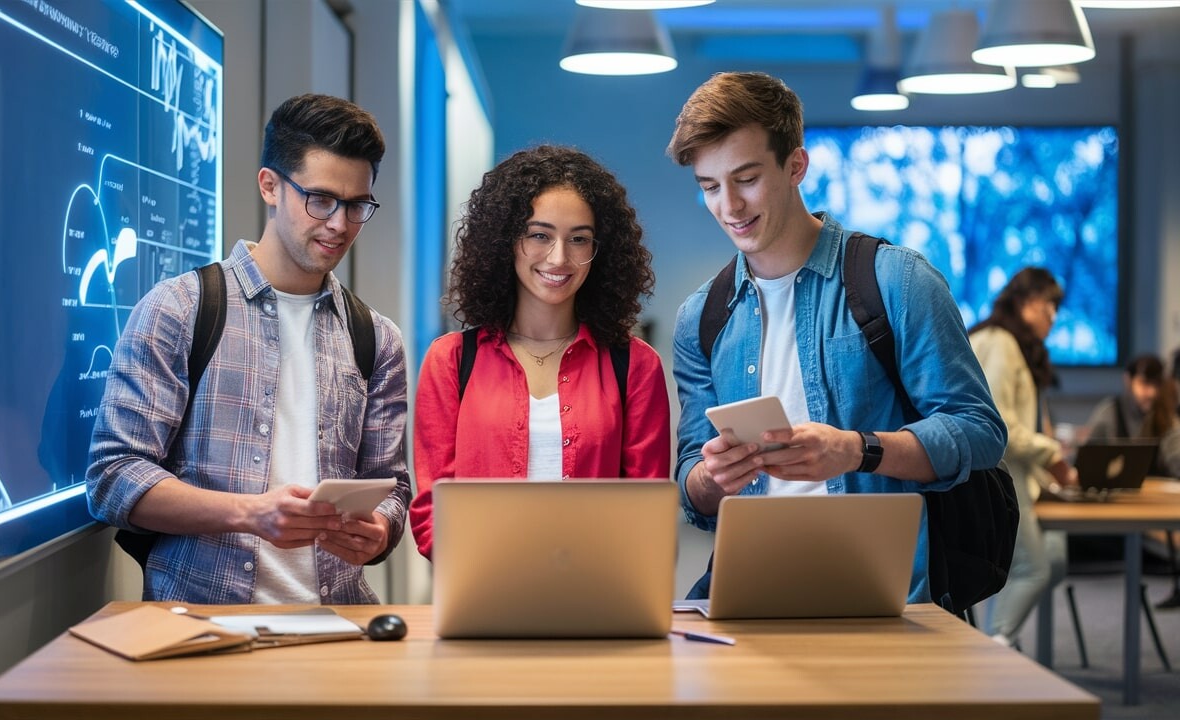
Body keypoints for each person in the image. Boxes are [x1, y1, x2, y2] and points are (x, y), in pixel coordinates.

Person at [665, 71, 1006, 603]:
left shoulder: (897, 280)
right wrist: (712, 476)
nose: (728, 206)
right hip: (752, 591)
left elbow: (980, 431)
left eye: (747, 178)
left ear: (796, 166)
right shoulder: (700, 318)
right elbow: (693, 490)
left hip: (883, 595)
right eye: (710, 187)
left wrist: (857, 450)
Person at [87, 95, 410, 604]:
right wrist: (250, 512)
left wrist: (379, 531)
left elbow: (391, 486)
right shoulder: (180, 309)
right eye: (321, 199)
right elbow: (113, 476)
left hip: (338, 628)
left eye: (356, 205)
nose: (340, 224)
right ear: (270, 186)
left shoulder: (377, 338)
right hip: (202, 629)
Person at [408, 145, 671, 559]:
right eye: (539, 235)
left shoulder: (636, 365)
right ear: (505, 240)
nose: (559, 257)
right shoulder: (452, 360)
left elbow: (648, 511)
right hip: (483, 596)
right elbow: (430, 513)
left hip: (599, 600)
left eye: (579, 239)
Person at [967, 267, 1076, 646]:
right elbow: (1001, 426)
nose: (1053, 315)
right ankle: (996, 648)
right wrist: (1052, 455)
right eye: (1049, 305)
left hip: (1013, 478)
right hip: (1004, 478)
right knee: (1034, 569)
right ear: (1027, 302)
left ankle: (998, 639)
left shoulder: (996, 339)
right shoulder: (1000, 343)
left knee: (1056, 556)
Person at [1084, 353, 1180, 478]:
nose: (1151, 392)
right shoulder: (1109, 412)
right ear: (1128, 380)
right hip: (1117, 492)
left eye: (1156, 385)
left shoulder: (1164, 414)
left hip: (1155, 493)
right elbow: (1087, 458)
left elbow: (1175, 457)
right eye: (1144, 383)